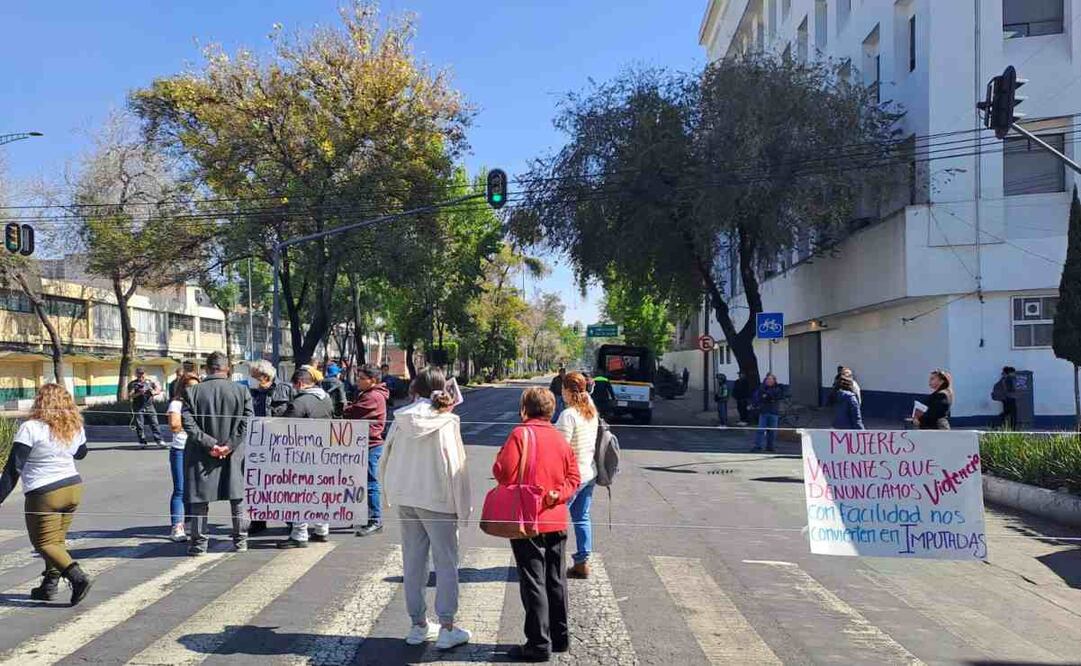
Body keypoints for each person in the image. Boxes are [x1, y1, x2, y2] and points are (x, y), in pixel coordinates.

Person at [379, 367, 472, 650]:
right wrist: (463, 506)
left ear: (414, 389)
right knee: (446, 563)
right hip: (438, 499)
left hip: (406, 496)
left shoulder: (400, 419)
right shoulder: (446, 421)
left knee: (413, 560)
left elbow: (385, 456)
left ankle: (418, 625)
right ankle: (446, 626)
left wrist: (388, 491)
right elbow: (456, 465)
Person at [494, 387, 580, 662]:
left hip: (528, 518)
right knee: (556, 578)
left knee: (533, 580)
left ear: (524, 408)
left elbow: (503, 473)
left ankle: (538, 643)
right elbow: (574, 476)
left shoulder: (520, 434)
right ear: (550, 410)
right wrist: (560, 493)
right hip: (556, 516)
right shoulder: (559, 437)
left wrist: (499, 456)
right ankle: (560, 638)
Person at [0, 384, 92, 605]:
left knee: (44, 543)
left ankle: (78, 578)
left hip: (45, 492)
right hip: (72, 488)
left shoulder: (31, 427)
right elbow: (81, 454)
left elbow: (14, 467)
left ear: (40, 401)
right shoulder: (74, 427)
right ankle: (48, 585)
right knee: (56, 541)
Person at [182, 351, 254, 556]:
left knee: (199, 501)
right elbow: (248, 421)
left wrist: (210, 444)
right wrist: (229, 445)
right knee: (237, 498)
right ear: (227, 369)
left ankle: (198, 545)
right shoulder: (242, 392)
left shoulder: (192, 392)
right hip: (234, 454)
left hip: (201, 454)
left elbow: (188, 423)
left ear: (206, 368)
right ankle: (241, 542)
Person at [277, 368, 336, 549]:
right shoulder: (326, 399)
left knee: (299, 495)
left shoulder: (300, 402)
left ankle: (299, 533)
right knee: (320, 493)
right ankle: (322, 530)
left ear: (300, 383)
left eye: (294, 385)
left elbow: (285, 426)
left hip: (302, 455)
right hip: (324, 453)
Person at [555, 371, 599, 580]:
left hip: (571, 477)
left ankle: (553, 563)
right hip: (588, 473)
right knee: (581, 518)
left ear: (567, 390)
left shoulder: (569, 415)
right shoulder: (590, 410)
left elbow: (560, 449)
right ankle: (582, 562)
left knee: (556, 520)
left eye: (563, 388)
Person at [344, 364, 390, 537]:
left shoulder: (373, 396)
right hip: (362, 443)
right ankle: (363, 515)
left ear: (373, 380)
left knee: (371, 484)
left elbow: (352, 412)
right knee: (360, 482)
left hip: (371, 444)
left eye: (362, 378)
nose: (358, 381)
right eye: (358, 377)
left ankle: (375, 520)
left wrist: (345, 407)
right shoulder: (367, 394)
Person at [166, 373, 200, 543]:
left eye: (196, 386)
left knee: (194, 489)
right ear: (182, 387)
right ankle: (176, 526)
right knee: (180, 489)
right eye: (189, 386)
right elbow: (174, 425)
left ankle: (190, 522)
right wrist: (192, 423)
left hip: (197, 448)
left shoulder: (200, 403)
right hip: (180, 449)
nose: (192, 390)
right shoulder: (177, 403)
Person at [128, 367, 164, 449]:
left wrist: (154, 392)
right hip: (138, 407)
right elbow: (130, 395)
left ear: (145, 373)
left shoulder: (150, 382)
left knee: (155, 423)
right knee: (140, 426)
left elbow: (158, 389)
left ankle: (159, 440)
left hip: (149, 406)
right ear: (136, 374)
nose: (141, 375)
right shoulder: (133, 384)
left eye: (142, 373)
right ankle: (142, 442)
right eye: (139, 373)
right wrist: (139, 393)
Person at [750, 373, 783, 452]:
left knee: (772, 431)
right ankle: (758, 446)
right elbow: (759, 398)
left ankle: (770, 446)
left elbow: (774, 396)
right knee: (761, 430)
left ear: (774, 381)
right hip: (764, 412)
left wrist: (767, 395)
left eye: (771, 379)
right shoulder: (762, 388)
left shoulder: (777, 389)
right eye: (768, 379)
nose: (769, 381)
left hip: (773, 412)